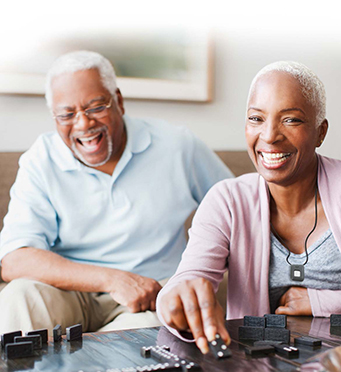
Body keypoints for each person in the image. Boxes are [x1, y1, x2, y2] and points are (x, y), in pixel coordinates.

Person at [0, 50, 233, 335]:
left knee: (147, 335)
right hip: (69, 292)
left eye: (96, 107)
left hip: (152, 295)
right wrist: (113, 279)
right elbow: (14, 259)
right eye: (67, 114)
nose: (83, 124)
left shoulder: (177, 145)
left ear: (118, 102)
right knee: (20, 298)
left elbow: (238, 210)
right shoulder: (40, 159)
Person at [157, 61, 341, 354]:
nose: (270, 135)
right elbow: (190, 277)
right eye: (256, 119)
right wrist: (173, 300)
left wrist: (322, 301)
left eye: (291, 120)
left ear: (320, 132)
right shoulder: (227, 200)